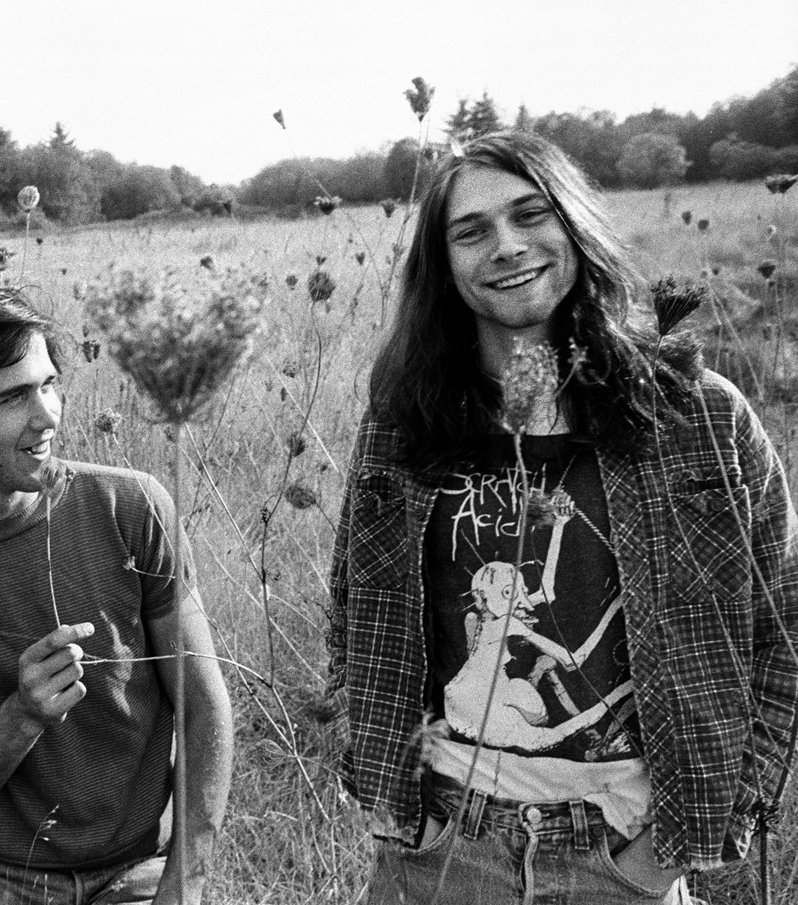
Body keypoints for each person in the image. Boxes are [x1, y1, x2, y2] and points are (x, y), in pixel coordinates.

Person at [327, 130, 798, 903]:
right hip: (442, 851)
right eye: (471, 231)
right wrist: (395, 801)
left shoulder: (698, 418)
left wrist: (677, 845)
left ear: (574, 223)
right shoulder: (406, 420)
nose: (507, 247)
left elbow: (783, 627)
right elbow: (356, 606)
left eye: (530, 214)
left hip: (623, 852)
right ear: (443, 266)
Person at [0, 287, 234, 905]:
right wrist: (21, 717)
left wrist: (182, 888)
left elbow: (203, 708)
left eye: (49, 384)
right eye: (12, 397)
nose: (48, 414)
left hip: (139, 868)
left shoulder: (132, 507)